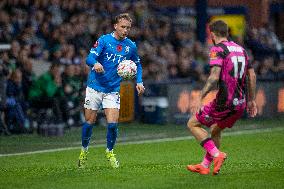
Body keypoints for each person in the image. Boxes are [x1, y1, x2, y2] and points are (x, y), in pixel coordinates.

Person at [186, 20, 257, 175]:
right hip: (240, 103)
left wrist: (200, 96)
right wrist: (251, 100)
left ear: (212, 34)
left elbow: (214, 77)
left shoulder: (217, 49)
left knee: (192, 124)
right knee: (215, 130)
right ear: (227, 33)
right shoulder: (241, 49)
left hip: (224, 102)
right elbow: (252, 75)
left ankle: (218, 155)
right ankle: (205, 166)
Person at [78, 13, 145, 168]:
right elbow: (89, 58)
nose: (125, 30)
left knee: (113, 124)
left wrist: (139, 81)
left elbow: (138, 64)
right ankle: (84, 151)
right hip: (95, 86)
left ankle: (109, 151)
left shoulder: (131, 46)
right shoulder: (103, 40)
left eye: (128, 27)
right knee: (89, 122)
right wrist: (95, 64)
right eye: (123, 27)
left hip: (112, 89)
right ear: (115, 26)